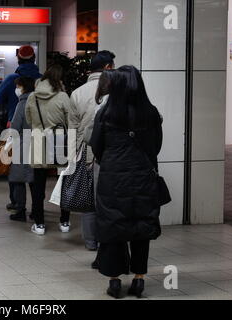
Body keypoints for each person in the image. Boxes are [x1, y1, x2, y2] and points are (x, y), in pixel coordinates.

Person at [90, 65, 163, 299]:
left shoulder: (106, 113)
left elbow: (96, 146)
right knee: (141, 227)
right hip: (143, 178)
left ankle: (114, 281)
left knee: (113, 227)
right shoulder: (151, 113)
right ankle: (139, 280)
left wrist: (111, 163)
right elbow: (156, 147)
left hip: (113, 180)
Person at [69, 50, 116, 251]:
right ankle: (109, 239)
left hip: (85, 154)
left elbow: (72, 128)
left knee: (88, 201)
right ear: (107, 67)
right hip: (111, 154)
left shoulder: (77, 92)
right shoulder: (115, 90)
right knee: (109, 199)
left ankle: (90, 242)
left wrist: (72, 159)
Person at [0, 45, 42, 213]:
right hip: (38, 129)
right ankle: (37, 206)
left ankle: (17, 203)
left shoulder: (11, 79)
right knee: (36, 169)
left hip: (14, 127)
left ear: (18, 59)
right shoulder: (42, 79)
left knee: (15, 167)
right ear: (34, 58)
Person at [25, 65, 71, 235]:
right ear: (59, 80)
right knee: (64, 183)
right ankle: (65, 221)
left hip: (39, 140)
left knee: (38, 185)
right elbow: (70, 121)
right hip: (60, 142)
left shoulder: (32, 96)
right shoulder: (63, 97)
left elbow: (29, 120)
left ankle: (39, 224)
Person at [8, 77, 36, 222]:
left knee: (18, 178)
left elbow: (15, 126)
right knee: (35, 179)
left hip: (23, 144)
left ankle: (20, 209)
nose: (17, 89)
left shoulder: (23, 103)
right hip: (39, 143)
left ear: (22, 87)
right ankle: (37, 210)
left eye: (18, 86)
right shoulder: (38, 101)